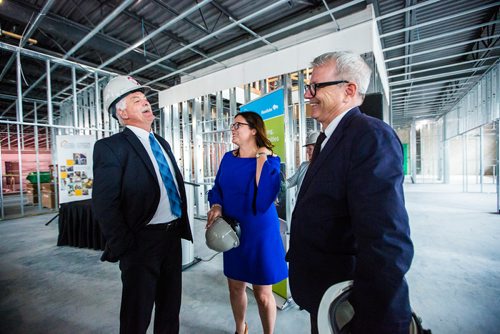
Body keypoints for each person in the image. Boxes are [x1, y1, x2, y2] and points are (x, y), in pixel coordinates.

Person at [286, 51, 414, 334]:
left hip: (350, 305)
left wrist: (369, 316)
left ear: (349, 90)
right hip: (324, 292)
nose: (308, 95)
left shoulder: (370, 136)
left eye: (315, 86)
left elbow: (386, 238)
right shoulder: (327, 139)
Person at [92, 75, 192, 334]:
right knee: (137, 315)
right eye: (137, 100)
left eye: (145, 98)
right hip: (140, 243)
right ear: (122, 112)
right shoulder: (111, 147)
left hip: (171, 239)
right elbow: (105, 204)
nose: (146, 102)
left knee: (170, 310)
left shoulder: (162, 143)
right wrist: (126, 246)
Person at [206, 111, 288, 334]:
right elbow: (218, 189)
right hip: (233, 231)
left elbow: (263, 200)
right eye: (232, 125)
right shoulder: (227, 158)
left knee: (263, 294)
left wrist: (261, 156)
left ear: (253, 130)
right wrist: (216, 205)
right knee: (235, 287)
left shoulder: (271, 160)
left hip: (259, 232)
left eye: (237, 125)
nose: (232, 129)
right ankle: (240, 328)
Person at [286, 131, 320, 196]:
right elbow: (290, 182)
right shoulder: (304, 166)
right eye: (307, 149)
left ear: (317, 149)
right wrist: (276, 184)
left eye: (310, 149)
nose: (307, 151)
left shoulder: (324, 168)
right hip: (299, 205)